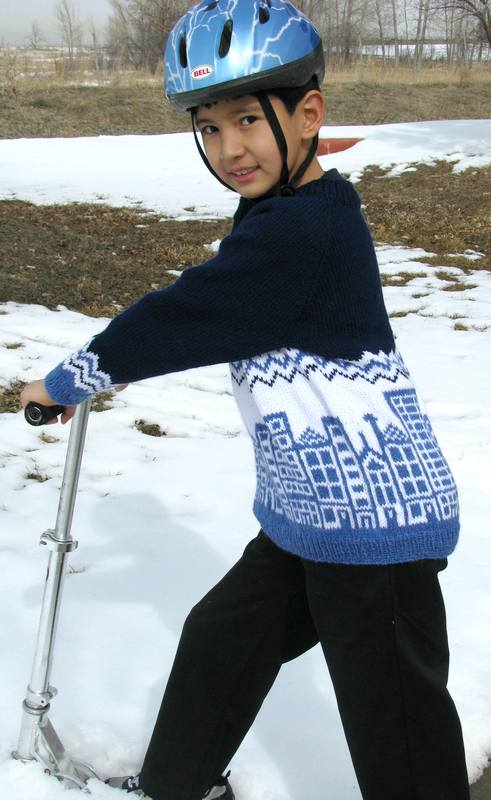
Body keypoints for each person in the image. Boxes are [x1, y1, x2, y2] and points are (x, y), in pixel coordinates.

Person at [20, 1, 470, 799]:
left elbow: (189, 314)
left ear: (308, 115)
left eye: (247, 120)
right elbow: (221, 310)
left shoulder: (304, 231)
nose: (228, 148)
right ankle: (179, 785)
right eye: (208, 127)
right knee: (222, 641)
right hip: (310, 514)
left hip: (374, 529)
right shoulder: (283, 212)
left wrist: (70, 379)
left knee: (396, 727)